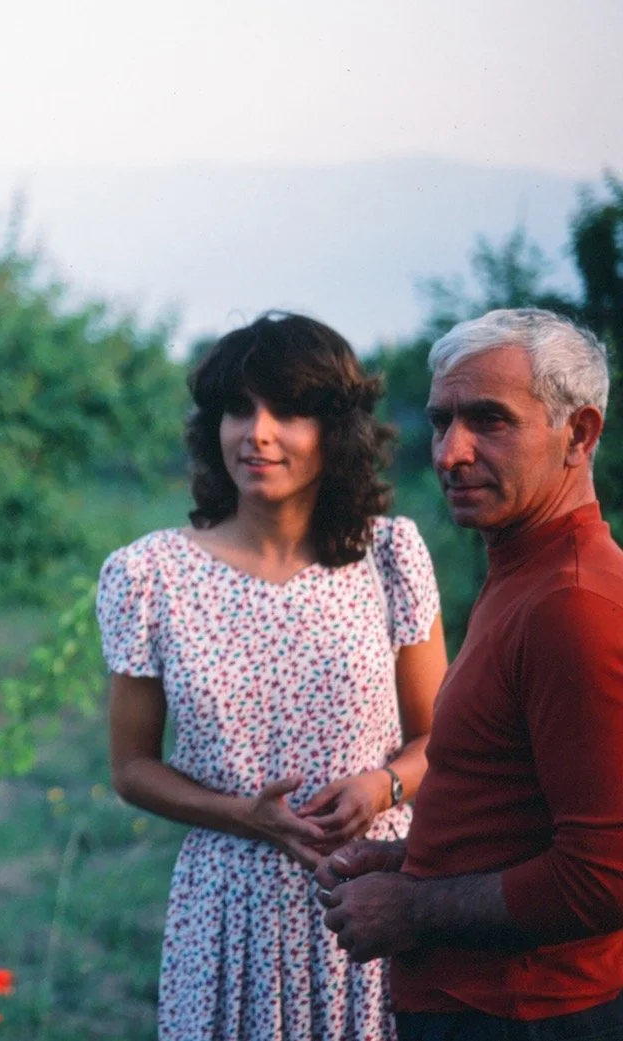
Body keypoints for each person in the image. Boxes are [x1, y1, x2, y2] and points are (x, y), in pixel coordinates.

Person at [98, 312, 448, 1041]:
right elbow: (131, 767)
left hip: (370, 894)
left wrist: (378, 787)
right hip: (227, 903)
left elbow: (436, 739)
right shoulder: (149, 575)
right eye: (237, 408)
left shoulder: (391, 556)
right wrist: (245, 815)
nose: (256, 432)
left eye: (288, 410)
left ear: (337, 430)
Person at [317, 308, 623, 1040]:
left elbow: (606, 875)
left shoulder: (573, 603)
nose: (451, 452)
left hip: (530, 1013)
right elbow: (520, 817)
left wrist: (413, 907)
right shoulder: (524, 569)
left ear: (578, 434)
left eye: (489, 420)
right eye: (441, 420)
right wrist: (405, 859)